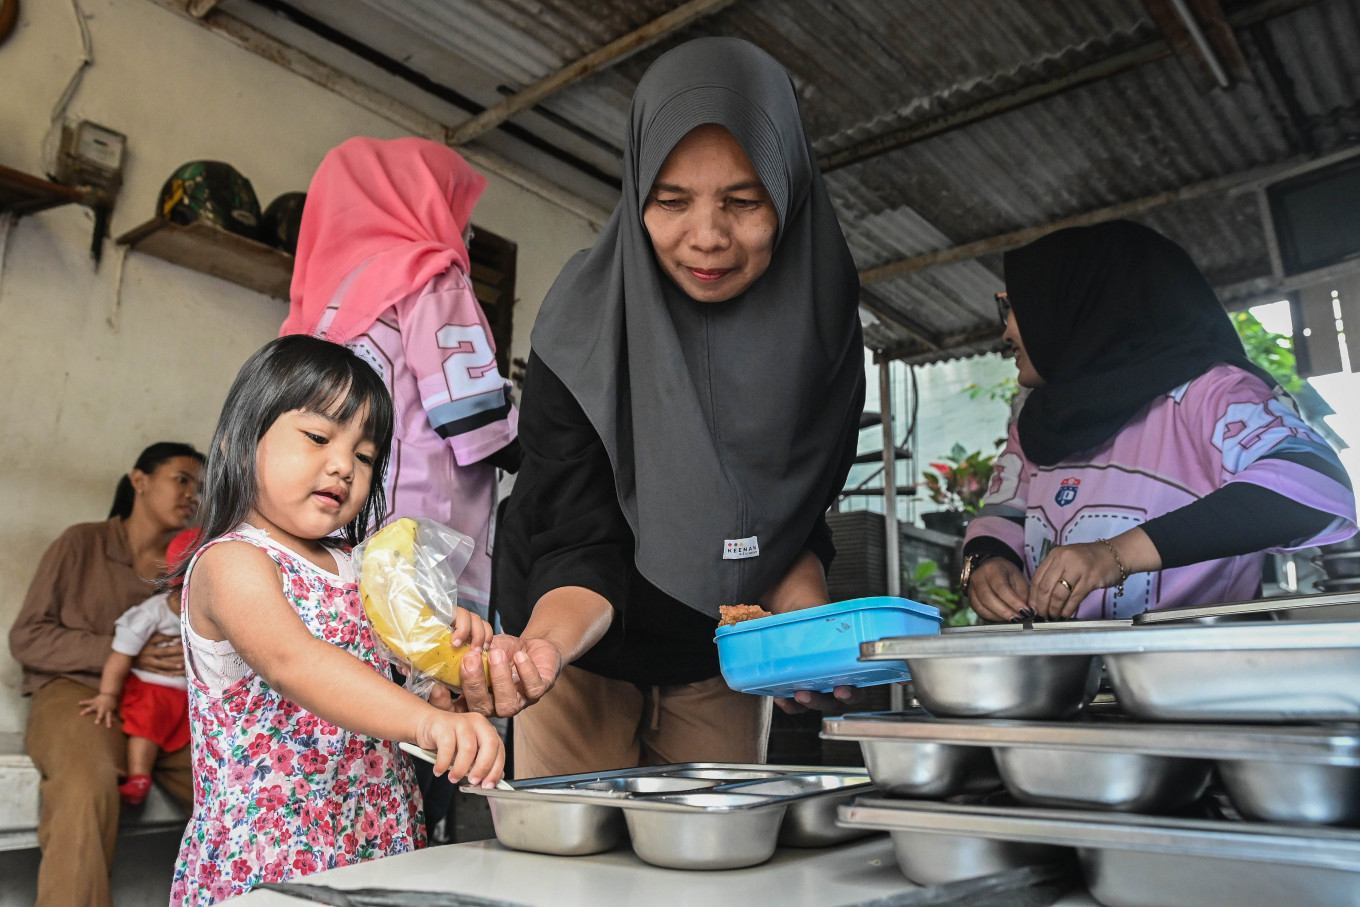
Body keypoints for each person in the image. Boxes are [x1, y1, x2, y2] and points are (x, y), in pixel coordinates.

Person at [482, 37, 865, 778]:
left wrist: (808, 633)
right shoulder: (581, 326)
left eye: (744, 201)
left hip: (719, 654)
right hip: (577, 649)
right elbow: (577, 537)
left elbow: (783, 521)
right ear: (635, 192)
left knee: (711, 875)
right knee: (572, 879)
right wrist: (542, 652)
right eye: (672, 200)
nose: (709, 237)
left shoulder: (823, 329)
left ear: (787, 190)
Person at [168, 335, 503, 906]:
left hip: (380, 842)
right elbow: (294, 661)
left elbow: (396, 683)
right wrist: (423, 723)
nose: (344, 465)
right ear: (238, 441)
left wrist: (442, 676)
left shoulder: (366, 567)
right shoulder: (232, 562)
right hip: (269, 861)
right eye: (319, 438)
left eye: (366, 456)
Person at [279, 135, 520, 839]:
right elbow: (475, 419)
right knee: (429, 751)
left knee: (347, 748)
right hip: (422, 564)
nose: (461, 232)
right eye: (455, 211)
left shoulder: (316, 302)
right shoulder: (427, 273)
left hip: (335, 558)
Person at [962, 220, 1357, 622]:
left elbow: (1313, 485)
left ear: (1084, 302)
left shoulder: (1212, 392)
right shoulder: (1039, 422)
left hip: (1203, 671)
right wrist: (987, 562)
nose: (1007, 329)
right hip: (1069, 677)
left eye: (1016, 307)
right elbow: (1003, 517)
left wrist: (1114, 555)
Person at [9, 441, 204, 907]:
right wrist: (123, 656)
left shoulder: (192, 562)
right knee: (85, 787)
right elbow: (28, 638)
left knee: (237, 783)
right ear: (140, 481)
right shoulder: (82, 542)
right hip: (78, 695)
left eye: (199, 489)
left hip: (170, 705)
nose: (192, 496)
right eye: (182, 480)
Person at [79, 528, 200, 806]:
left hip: (186, 694)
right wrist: (108, 695)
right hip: (151, 689)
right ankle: (139, 777)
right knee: (146, 730)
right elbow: (120, 655)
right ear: (175, 584)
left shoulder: (211, 617)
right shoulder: (150, 614)